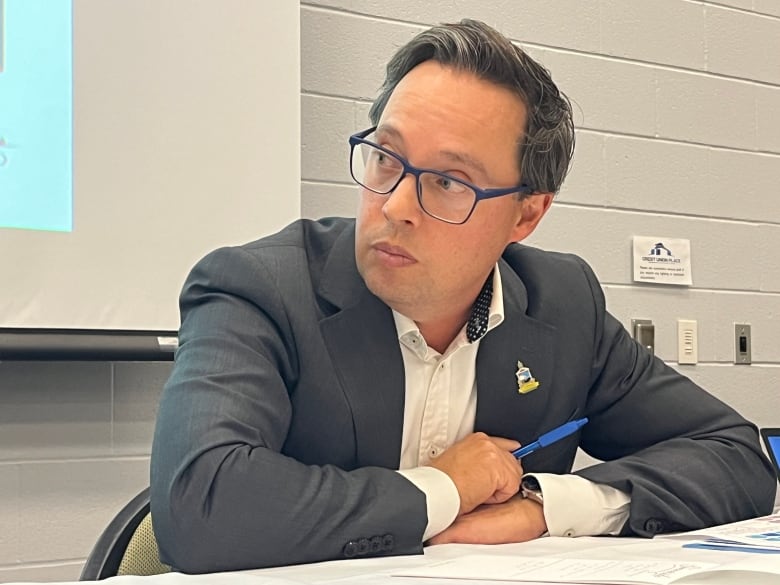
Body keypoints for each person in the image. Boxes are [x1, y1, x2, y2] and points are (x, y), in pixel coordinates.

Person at [150, 19, 776, 574]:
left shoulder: (562, 306)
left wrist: (543, 504)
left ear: (526, 215)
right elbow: (199, 504)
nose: (393, 206)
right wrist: (441, 490)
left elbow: (736, 455)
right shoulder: (259, 288)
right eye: (385, 158)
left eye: (448, 182)